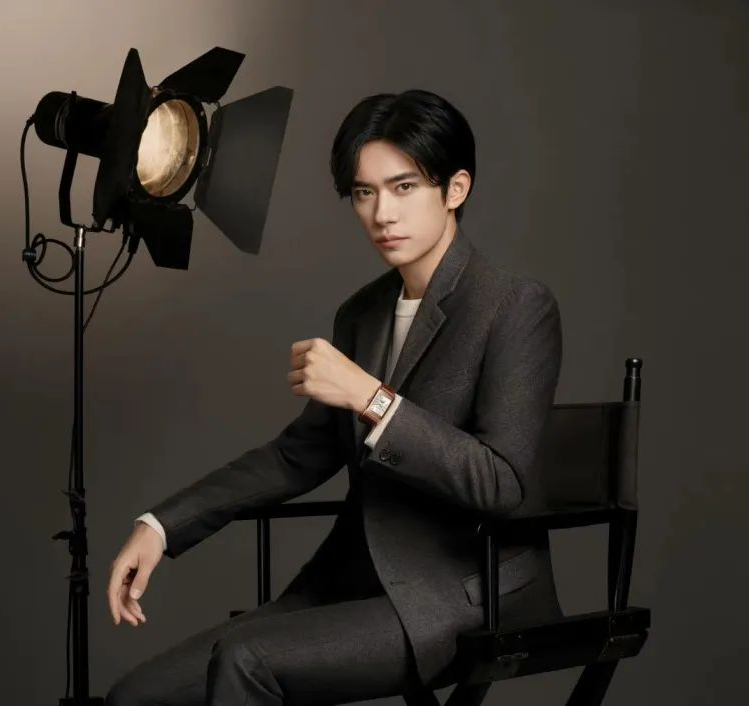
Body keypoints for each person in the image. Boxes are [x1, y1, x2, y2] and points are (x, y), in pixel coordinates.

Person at [105, 88, 564, 705]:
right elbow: (297, 456)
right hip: (352, 582)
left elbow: (501, 483)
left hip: (466, 590)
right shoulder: (362, 314)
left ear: (456, 189)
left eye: (404, 187)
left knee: (246, 660)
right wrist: (161, 527)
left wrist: (371, 397)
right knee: (135, 697)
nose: (382, 214)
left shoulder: (514, 307)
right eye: (364, 192)